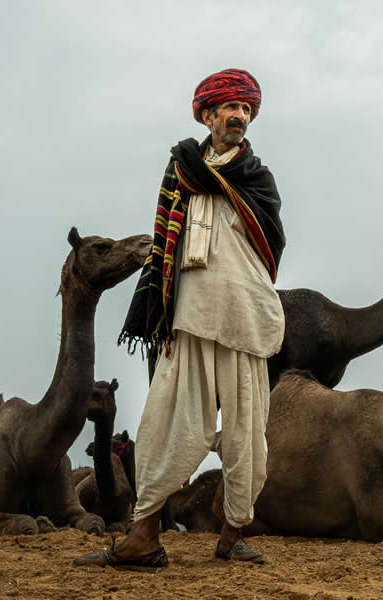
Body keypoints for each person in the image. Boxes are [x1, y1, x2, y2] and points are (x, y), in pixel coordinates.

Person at [74, 68, 285, 569]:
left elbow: (272, 241)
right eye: (230, 108)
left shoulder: (258, 177)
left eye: (246, 109)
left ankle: (233, 534)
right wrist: (159, 314)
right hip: (188, 316)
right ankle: (144, 536)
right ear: (208, 115)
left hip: (245, 320)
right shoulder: (180, 172)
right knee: (165, 424)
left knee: (246, 434)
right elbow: (163, 246)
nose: (239, 116)